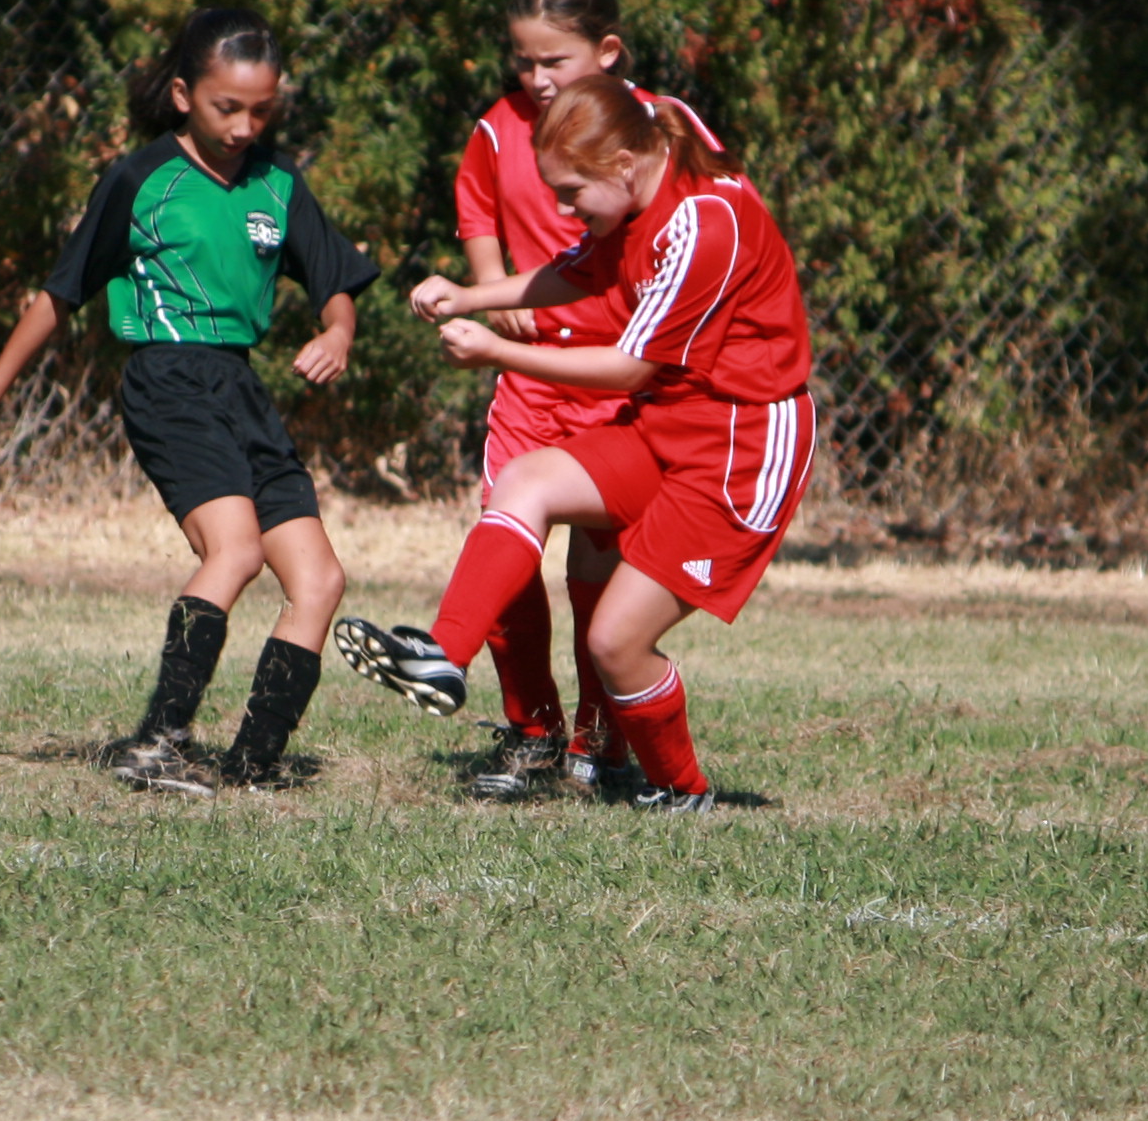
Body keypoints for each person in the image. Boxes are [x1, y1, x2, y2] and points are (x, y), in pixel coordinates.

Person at [334, 72, 814, 811]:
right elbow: (578, 272)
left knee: (616, 642)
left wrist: (497, 351)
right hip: (668, 421)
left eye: (571, 193)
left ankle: (681, 791)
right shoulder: (644, 159)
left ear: (622, 164)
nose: (563, 209)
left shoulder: (701, 226)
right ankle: (442, 654)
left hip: (741, 447)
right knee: (525, 481)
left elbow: (628, 367)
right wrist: (472, 295)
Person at [0, 6, 378, 791]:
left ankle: (253, 766)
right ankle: (158, 742)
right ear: (182, 95)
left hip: (242, 388)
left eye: (261, 111)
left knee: (320, 581)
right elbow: (60, 294)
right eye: (226, 107)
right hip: (169, 379)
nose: (244, 127)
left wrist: (338, 331)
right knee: (235, 552)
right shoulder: (142, 180)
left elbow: (334, 280)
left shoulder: (277, 183)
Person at [453, 0, 722, 800]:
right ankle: (530, 729)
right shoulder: (499, 127)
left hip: (618, 382)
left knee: (600, 575)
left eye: (554, 61)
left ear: (606, 52)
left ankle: (597, 742)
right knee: (503, 542)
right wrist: (491, 290)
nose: (536, 79)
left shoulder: (656, 125)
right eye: (523, 61)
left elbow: (707, 219)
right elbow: (476, 209)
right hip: (534, 382)